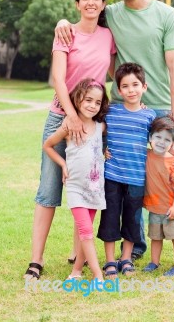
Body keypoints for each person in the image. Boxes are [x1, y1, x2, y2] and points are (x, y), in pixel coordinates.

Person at [55, 0, 174, 273]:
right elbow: (84, 18)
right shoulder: (111, 14)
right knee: (125, 178)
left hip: (161, 110)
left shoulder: (167, 14)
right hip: (124, 110)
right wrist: (61, 24)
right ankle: (135, 245)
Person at [24, 0, 116, 280]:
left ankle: (79, 256)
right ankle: (36, 260)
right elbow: (59, 80)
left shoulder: (108, 36)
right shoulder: (65, 32)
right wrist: (71, 116)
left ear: (103, 4)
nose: (91, 2)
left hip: (91, 124)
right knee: (49, 188)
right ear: (77, 4)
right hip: (61, 118)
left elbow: (114, 72)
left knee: (87, 187)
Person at [43, 78, 109, 281]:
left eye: (97, 102)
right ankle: (98, 275)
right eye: (88, 100)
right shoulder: (68, 127)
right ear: (77, 99)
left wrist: (104, 153)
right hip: (75, 187)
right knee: (85, 230)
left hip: (95, 187)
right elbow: (47, 145)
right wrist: (63, 164)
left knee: (85, 233)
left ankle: (77, 271)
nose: (92, 105)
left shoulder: (101, 127)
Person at [97, 63, 156, 277]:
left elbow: (158, 142)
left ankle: (126, 258)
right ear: (119, 90)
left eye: (135, 85)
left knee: (132, 218)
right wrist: (102, 150)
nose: (131, 90)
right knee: (110, 216)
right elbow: (95, 131)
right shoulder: (111, 111)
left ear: (144, 87)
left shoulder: (149, 116)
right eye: (125, 86)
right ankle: (110, 260)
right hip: (112, 175)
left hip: (137, 178)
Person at [143, 115, 174, 276]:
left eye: (167, 140)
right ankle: (154, 262)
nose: (161, 142)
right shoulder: (146, 155)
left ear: (172, 143)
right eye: (158, 137)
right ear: (150, 138)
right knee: (156, 236)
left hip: (172, 207)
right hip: (155, 206)